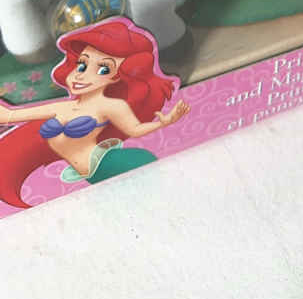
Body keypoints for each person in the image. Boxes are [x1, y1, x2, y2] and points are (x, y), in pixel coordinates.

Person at [0, 19, 189, 209]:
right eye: (82, 65)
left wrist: (164, 122)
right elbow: (9, 116)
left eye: (103, 69)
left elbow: (135, 129)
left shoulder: (111, 106)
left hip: (109, 163)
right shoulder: (62, 107)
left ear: (117, 76)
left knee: (144, 198)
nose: (81, 74)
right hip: (81, 177)